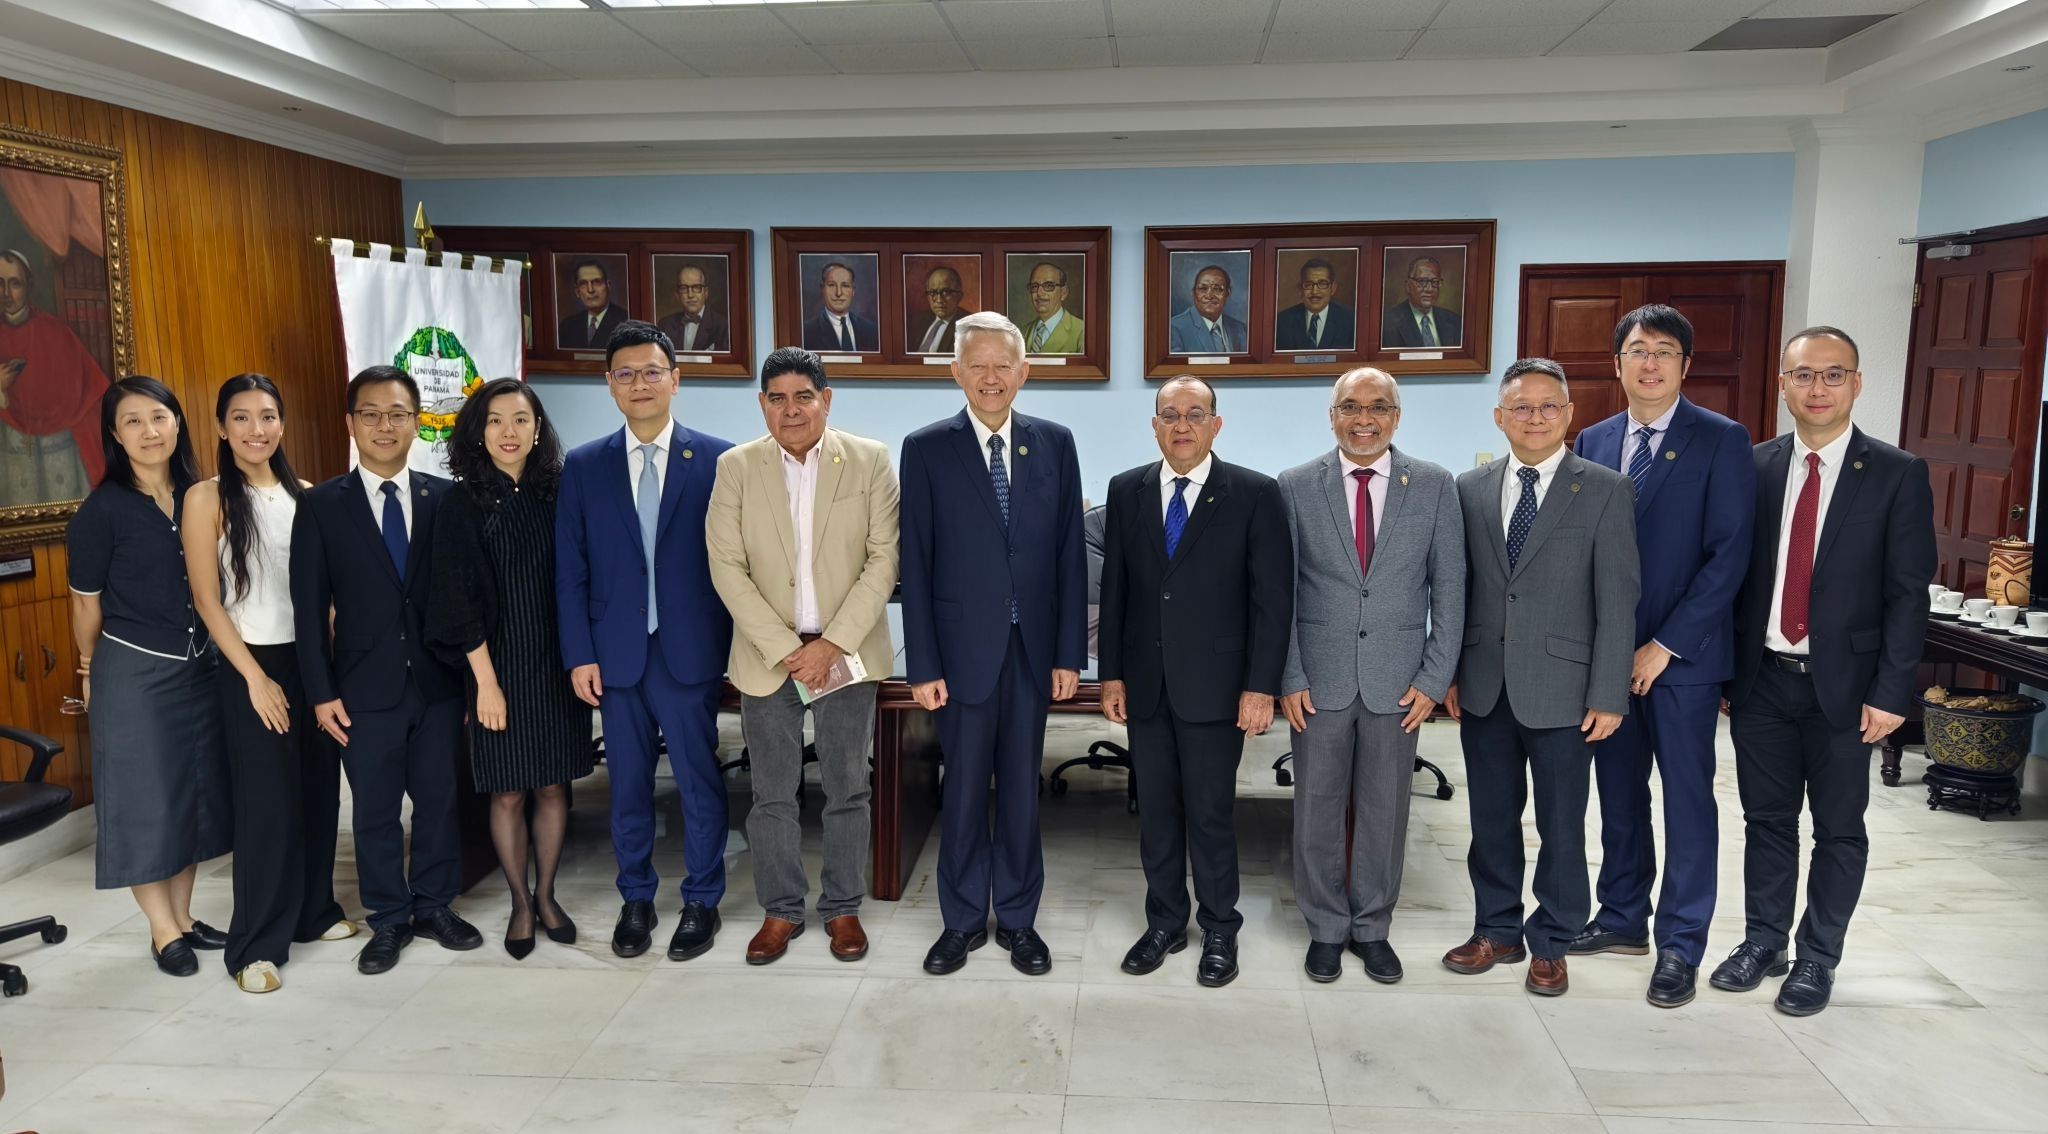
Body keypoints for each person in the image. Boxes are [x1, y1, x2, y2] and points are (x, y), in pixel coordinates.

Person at [1711, 326, 1934, 1017]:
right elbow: (1729, 574)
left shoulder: (1896, 473)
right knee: (1766, 820)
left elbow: (1908, 595)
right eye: (1804, 375)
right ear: (1783, 384)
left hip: (1849, 688)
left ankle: (1817, 957)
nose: (1818, 388)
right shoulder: (1753, 466)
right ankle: (1763, 942)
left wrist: (1893, 692)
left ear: (1856, 384)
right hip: (1762, 680)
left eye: (1834, 375)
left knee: (1838, 829)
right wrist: (1724, 673)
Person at [1567, 304, 1756, 1008]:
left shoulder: (1722, 439)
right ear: (1617, 363)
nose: (1650, 363)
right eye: (1638, 351)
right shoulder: (1593, 438)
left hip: (1684, 660)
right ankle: (1621, 916)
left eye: (1664, 351)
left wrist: (1664, 645)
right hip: (1608, 658)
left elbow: (1728, 556)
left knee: (1686, 799)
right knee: (1618, 794)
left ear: (1685, 365)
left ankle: (1681, 941)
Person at [1441, 358, 1637, 997]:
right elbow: (1457, 589)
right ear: (1499, 416)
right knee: (1491, 821)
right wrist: (1450, 672)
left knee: (1561, 827)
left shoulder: (1605, 489)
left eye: (1549, 406)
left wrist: (1609, 692)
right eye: (1521, 407)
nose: (1535, 417)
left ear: (1569, 415)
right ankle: (1496, 930)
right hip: (1485, 683)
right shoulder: (1468, 488)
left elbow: (1618, 600)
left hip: (1566, 691)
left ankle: (1553, 941)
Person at [900, 310, 1085, 976]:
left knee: (1021, 795)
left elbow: (1069, 556)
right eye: (976, 365)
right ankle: (959, 921)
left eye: (1002, 365)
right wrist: (922, 663)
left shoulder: (1054, 443)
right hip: (958, 656)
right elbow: (916, 564)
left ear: (1023, 371)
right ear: (955, 372)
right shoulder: (926, 448)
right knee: (962, 791)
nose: (990, 377)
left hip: (1032, 653)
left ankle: (1018, 918)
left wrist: (1069, 654)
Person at [707, 347, 900, 965]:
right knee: (771, 794)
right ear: (762, 404)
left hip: (846, 651)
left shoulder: (869, 460)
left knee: (848, 786)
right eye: (777, 398)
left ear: (826, 400)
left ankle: (842, 906)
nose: (791, 409)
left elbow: (883, 561)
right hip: (769, 656)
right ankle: (781, 910)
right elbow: (726, 567)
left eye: (804, 396)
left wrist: (832, 644)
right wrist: (791, 651)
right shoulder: (736, 467)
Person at [1098, 376, 1290, 988]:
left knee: (1209, 815)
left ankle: (1219, 927)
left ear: (1216, 424)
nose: (1182, 425)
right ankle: (1164, 923)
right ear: (1155, 425)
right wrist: (1111, 675)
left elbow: (1271, 601)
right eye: (1170, 414)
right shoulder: (1126, 490)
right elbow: (1115, 590)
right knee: (1155, 813)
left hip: (1217, 687)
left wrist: (1260, 686)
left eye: (1195, 414)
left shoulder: (1254, 493)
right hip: (1147, 684)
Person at [292, 366, 482, 975]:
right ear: (350, 423)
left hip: (438, 682)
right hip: (361, 689)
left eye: (397, 414)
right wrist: (320, 693)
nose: (384, 425)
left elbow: (464, 596)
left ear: (416, 422)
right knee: (373, 811)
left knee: (438, 801)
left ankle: (433, 905)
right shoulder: (321, 505)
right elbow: (307, 609)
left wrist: (473, 682)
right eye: (370, 414)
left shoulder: (444, 498)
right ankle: (389, 917)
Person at [1277, 367, 1464, 984]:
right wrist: (1291, 674)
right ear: (1332, 416)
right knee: (1317, 810)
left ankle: (1372, 927)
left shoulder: (1434, 485)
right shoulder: (1295, 486)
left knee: (1386, 810)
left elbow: (1451, 590)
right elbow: (1281, 592)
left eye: (1378, 407)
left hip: (1399, 683)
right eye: (1351, 407)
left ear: (1396, 416)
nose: (1365, 419)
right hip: (1318, 680)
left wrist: (1434, 679)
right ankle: (1326, 928)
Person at [557, 321, 735, 961]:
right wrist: (579, 654)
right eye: (626, 374)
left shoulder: (719, 459)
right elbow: (570, 570)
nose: (640, 383)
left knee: (697, 780)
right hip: (615, 654)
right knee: (627, 783)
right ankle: (635, 896)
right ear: (610, 385)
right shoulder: (583, 466)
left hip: (690, 650)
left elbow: (738, 562)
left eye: (652, 371)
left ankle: (702, 899)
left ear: (675, 380)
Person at [182, 374, 354, 994]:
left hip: (312, 661)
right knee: (266, 807)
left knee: (318, 792)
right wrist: (254, 678)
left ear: (282, 423)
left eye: (268, 416)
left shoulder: (305, 494)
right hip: (251, 662)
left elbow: (322, 591)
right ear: (222, 427)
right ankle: (254, 946)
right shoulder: (206, 497)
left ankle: (314, 912)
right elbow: (207, 599)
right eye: (242, 417)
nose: (257, 430)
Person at [67, 376, 231, 978]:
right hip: (133, 671)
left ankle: (184, 919)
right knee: (145, 803)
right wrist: (91, 670)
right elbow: (85, 603)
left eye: (158, 417)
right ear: (114, 435)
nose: (149, 431)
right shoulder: (101, 510)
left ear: (178, 423)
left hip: (203, 665)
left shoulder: (202, 494)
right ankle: (162, 932)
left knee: (193, 796)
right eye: (132, 421)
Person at [427, 379, 594, 960]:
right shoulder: (461, 502)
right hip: (495, 667)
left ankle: (547, 895)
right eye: (495, 420)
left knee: (553, 785)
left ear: (538, 428)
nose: (508, 432)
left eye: (521, 420)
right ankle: (520, 902)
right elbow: (457, 600)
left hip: (556, 663)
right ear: (477, 431)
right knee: (506, 793)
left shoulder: (559, 492)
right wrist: (486, 684)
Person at [1, 247, 109, 507]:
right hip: (13, 444)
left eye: (14, 283)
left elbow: (83, 389)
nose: (6, 293)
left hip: (58, 441)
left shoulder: (54, 331)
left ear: (29, 285)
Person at [1274, 258, 1357, 351]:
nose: (1314, 291)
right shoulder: (1282, 321)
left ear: (1333, 288)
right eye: (1308, 284)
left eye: (1322, 284)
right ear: (1300, 289)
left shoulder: (1351, 320)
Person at [1381, 256, 1462, 350]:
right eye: (1422, 281)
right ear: (1408, 286)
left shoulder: (1455, 321)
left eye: (1435, 282)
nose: (1429, 289)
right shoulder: (1387, 323)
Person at [800, 261, 880, 353]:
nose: (838, 293)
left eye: (845, 285)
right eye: (832, 285)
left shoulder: (871, 331)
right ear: (822, 289)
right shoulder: (806, 332)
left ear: (853, 291)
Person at [1167, 265, 1248, 354]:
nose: (1209, 296)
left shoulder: (1240, 329)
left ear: (1227, 294)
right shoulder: (1174, 328)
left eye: (1217, 289)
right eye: (1203, 288)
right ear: (1194, 293)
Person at [654, 264, 729, 354]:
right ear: (677, 295)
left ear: (706, 293)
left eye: (696, 287)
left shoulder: (723, 326)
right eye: (684, 288)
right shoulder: (665, 325)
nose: (690, 295)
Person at [558, 260, 629, 350]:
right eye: (583, 283)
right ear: (577, 291)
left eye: (597, 282)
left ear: (608, 286)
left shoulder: (626, 321)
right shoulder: (567, 326)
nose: (590, 290)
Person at [1017, 262, 1084, 355]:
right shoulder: (1020, 332)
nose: (1039, 293)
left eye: (1048, 286)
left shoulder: (1082, 331)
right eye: (1035, 286)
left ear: (1063, 293)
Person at [910, 267, 970, 355]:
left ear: (959, 296)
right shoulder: (916, 321)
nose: (939, 300)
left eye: (946, 292)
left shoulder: (969, 327)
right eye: (933, 292)